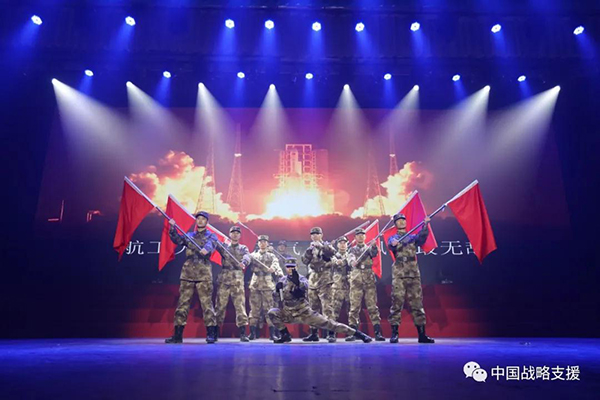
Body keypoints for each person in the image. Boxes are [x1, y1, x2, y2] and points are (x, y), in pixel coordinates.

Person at [267, 258, 372, 344]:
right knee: (272, 312)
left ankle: (358, 334)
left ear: (297, 267)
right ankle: (285, 335)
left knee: (331, 324)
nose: (290, 269)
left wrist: (298, 284)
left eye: (292, 267)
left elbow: (305, 287)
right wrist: (277, 290)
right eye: (288, 267)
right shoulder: (282, 280)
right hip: (289, 313)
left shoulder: (302, 279)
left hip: (304, 313)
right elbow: (278, 299)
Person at [165, 211, 218, 344]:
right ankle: (178, 335)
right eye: (198, 218)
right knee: (182, 304)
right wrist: (173, 227)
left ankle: (211, 334)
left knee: (207, 305)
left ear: (207, 222)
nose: (200, 221)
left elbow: (211, 244)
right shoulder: (189, 235)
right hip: (187, 273)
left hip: (204, 274)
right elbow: (177, 239)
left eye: (203, 219)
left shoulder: (211, 235)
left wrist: (206, 249)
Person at [387, 213, 435, 344]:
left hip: (413, 272)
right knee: (397, 302)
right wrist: (394, 243)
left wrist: (425, 224)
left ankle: (422, 334)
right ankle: (394, 334)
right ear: (395, 224)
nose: (402, 222)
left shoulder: (412, 237)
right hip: (399, 274)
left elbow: (422, 238)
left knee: (417, 303)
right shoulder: (393, 238)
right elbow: (391, 244)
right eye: (399, 221)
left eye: (403, 220)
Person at [347, 228, 386, 342]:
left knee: (372, 306)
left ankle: (378, 332)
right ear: (355, 237)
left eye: (362, 235)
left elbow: (374, 254)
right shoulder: (352, 249)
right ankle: (353, 332)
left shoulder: (369, 248)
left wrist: (374, 246)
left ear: (365, 237)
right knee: (354, 307)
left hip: (369, 279)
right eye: (358, 235)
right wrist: (352, 262)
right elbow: (350, 258)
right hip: (356, 279)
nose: (360, 236)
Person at [214, 226, 251, 342]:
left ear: (240, 235)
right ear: (229, 234)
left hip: (237, 280)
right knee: (220, 306)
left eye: (237, 233)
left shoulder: (243, 248)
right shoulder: (224, 247)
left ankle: (243, 333)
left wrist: (244, 262)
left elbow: (247, 256)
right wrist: (213, 236)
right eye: (233, 232)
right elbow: (215, 243)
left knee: (240, 306)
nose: (235, 234)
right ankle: (214, 332)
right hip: (224, 279)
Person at [301, 227, 336, 342]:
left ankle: (331, 333)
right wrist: (309, 251)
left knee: (327, 307)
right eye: (312, 234)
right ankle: (314, 333)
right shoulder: (310, 248)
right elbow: (304, 261)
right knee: (313, 308)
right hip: (313, 279)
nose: (315, 236)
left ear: (321, 235)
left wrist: (321, 246)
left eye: (317, 234)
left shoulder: (326, 245)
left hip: (325, 279)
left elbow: (332, 253)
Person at [248, 235, 285, 340]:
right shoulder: (253, 255)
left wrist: (273, 268)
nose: (262, 243)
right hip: (255, 284)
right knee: (254, 309)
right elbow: (247, 260)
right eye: (260, 241)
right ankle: (252, 333)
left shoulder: (271, 256)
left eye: (264, 241)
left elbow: (275, 263)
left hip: (267, 284)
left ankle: (272, 333)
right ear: (258, 243)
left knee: (269, 309)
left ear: (267, 243)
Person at [330, 236, 354, 342]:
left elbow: (352, 262)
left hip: (350, 286)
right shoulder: (333, 255)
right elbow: (332, 262)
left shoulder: (351, 255)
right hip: (337, 286)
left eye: (344, 243)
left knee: (351, 311)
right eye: (341, 243)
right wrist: (337, 262)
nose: (343, 244)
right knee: (334, 311)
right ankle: (332, 333)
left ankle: (352, 333)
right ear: (337, 245)